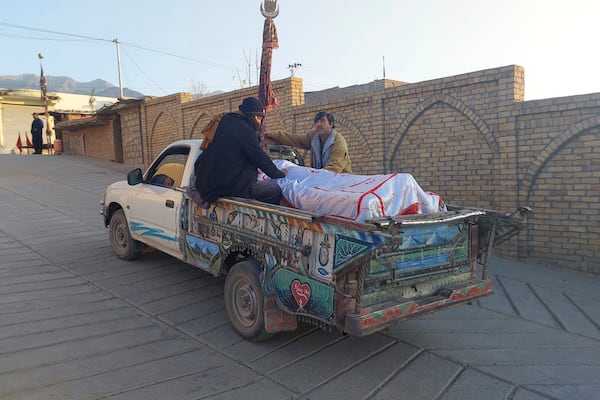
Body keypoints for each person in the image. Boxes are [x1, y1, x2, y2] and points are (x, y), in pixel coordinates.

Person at [193, 97, 286, 208]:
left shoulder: (225, 122)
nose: (260, 123)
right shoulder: (245, 130)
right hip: (227, 185)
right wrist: (279, 175)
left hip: (207, 182)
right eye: (260, 119)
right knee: (273, 190)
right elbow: (260, 158)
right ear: (256, 116)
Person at [264, 111, 352, 173]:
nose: (318, 124)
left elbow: (333, 169)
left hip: (340, 182)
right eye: (316, 122)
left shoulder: (338, 142)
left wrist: (310, 175)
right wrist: (275, 136)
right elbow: (295, 139)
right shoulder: (313, 137)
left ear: (331, 124)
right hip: (322, 180)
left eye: (322, 121)